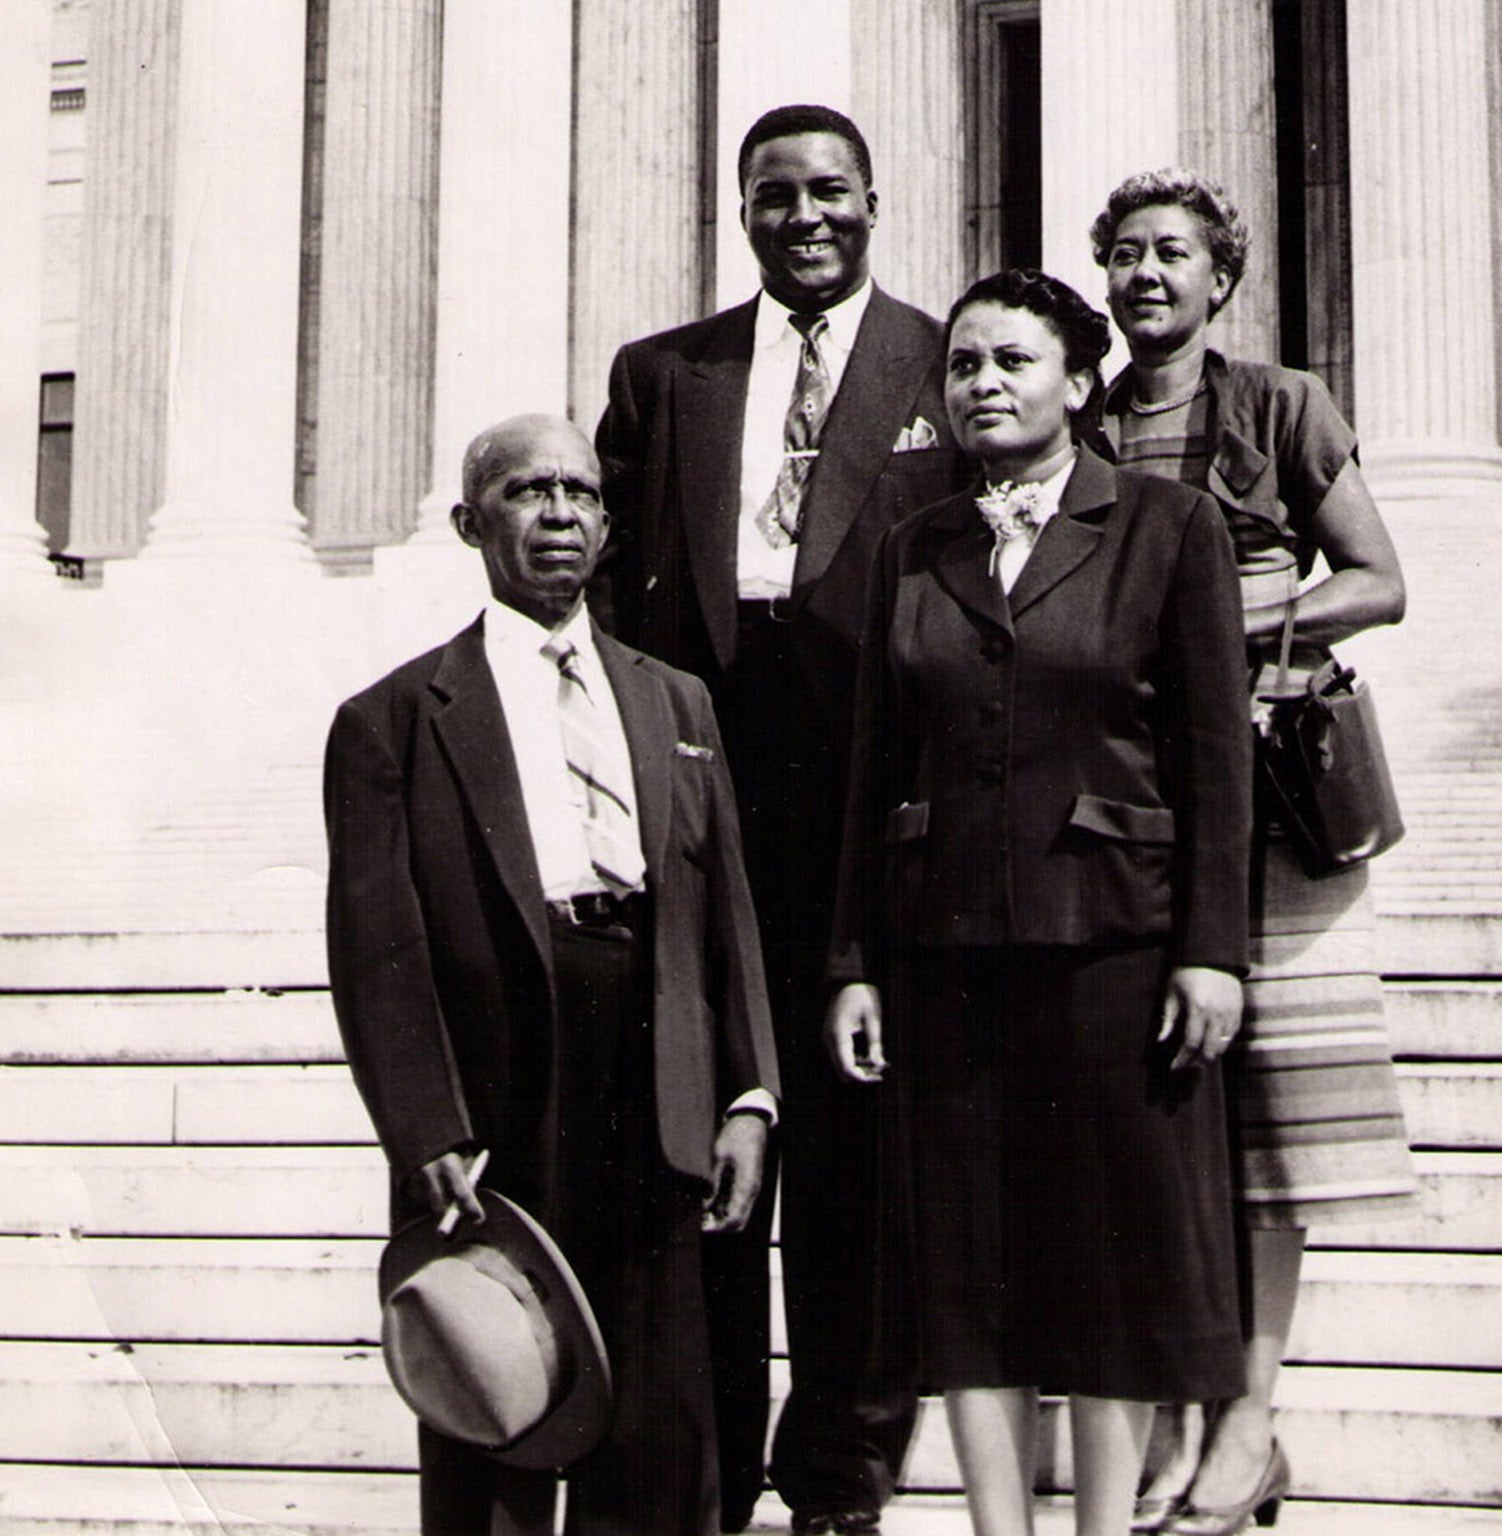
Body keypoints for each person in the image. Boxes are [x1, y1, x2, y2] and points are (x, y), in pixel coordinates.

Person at [824, 269, 1253, 1536]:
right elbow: (869, 770)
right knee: (961, 1269)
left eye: (1013, 360)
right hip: (942, 953)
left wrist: (1209, 953)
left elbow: (1214, 764)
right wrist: (852, 959)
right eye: (962, 364)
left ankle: (1103, 1528)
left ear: (1078, 380)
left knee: (1109, 1269)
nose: (982, 385)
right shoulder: (917, 544)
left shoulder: (1167, 528)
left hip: (1112, 950)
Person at [595, 104, 961, 1536]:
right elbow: (619, 594)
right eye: (774, 196)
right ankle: (707, 1455)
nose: (804, 218)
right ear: (737, 210)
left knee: (859, 1141)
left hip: (870, 786)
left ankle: (841, 1475)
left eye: (829, 193)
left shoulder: (948, 361)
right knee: (706, 1124)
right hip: (703, 775)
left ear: (876, 198)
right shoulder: (666, 374)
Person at [324, 414, 779, 1536]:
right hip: (500, 1098)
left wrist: (751, 1092)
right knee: (505, 1409)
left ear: (609, 523)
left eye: (580, 493)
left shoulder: (675, 702)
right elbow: (378, 952)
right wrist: (425, 1126)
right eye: (529, 493)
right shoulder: (394, 722)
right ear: (470, 522)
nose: (561, 515)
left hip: (655, 1067)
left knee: (662, 1428)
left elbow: (726, 915)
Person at [1089, 170, 1418, 1536]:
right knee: (1168, 1122)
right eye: (1124, 255)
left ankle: (1247, 1422)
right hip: (1131, 805)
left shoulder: (1279, 405)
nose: (1147, 275)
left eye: (1174, 254)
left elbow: (1380, 579)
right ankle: (1175, 1404)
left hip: (1271, 806)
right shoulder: (1085, 421)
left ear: (1222, 279)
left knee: (1273, 1123)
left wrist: (1234, 629)